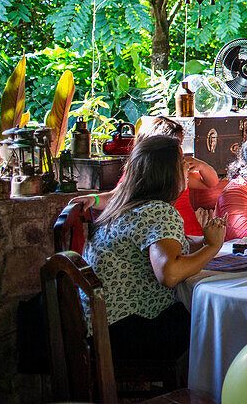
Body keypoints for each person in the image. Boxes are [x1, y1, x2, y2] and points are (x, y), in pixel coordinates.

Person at [81, 135, 226, 362]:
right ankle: (208, 392)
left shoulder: (125, 206)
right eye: (182, 163)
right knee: (216, 320)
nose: (187, 167)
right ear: (167, 173)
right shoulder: (158, 211)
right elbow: (170, 273)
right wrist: (213, 246)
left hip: (100, 328)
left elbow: (164, 249)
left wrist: (203, 241)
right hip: (128, 333)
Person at [68, 116, 219, 235]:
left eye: (179, 145)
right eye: (173, 147)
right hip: (163, 235)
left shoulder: (180, 169)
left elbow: (211, 182)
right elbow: (116, 197)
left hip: (189, 232)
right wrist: (92, 199)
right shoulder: (139, 175)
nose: (178, 151)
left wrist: (200, 165)